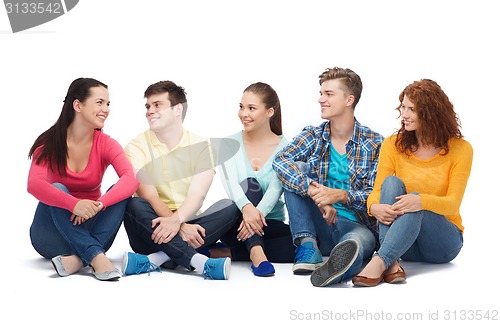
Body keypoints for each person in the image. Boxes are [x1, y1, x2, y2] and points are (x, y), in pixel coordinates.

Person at [352, 79, 473, 287]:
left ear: (431, 112)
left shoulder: (461, 149)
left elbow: (453, 203)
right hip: (406, 243)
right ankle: (391, 263)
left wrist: (420, 202)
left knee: (415, 200)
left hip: (443, 243)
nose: (404, 115)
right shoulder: (392, 144)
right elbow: (379, 189)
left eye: (411, 109)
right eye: (403, 107)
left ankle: (380, 260)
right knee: (391, 183)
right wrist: (374, 207)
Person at [272, 67, 384, 287]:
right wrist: (314, 193)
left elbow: (375, 196)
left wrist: (341, 196)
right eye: (321, 93)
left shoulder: (375, 143)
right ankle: (307, 246)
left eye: (329, 94)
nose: (321, 99)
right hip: (317, 224)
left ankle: (338, 265)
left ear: (349, 99)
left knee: (359, 242)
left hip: (355, 225)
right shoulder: (314, 135)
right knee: (298, 168)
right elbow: (280, 160)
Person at [121, 80, 239, 280]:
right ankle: (200, 263)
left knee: (229, 206)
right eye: (148, 106)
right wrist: (179, 225)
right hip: (150, 228)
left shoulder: (200, 146)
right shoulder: (136, 146)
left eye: (157, 105)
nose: (149, 111)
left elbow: (198, 194)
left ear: (177, 110)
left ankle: (156, 259)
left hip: (188, 221)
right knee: (134, 204)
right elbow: (148, 195)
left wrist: (179, 220)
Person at [28, 77, 139, 281]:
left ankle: (78, 260)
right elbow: (34, 185)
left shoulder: (106, 143)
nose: (106, 109)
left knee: (121, 190)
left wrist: (98, 205)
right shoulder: (48, 143)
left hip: (92, 231)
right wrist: (74, 204)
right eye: (99, 102)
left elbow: (130, 180)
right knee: (58, 187)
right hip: (50, 237)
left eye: (108, 104)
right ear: (78, 105)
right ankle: (96, 258)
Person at [217, 82, 295, 277]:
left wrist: (257, 215)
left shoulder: (286, 147)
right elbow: (230, 185)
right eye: (241, 107)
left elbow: (276, 188)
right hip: (237, 220)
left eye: (251, 108)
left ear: (269, 112)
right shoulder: (227, 144)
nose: (244, 114)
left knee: (298, 248)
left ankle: (223, 252)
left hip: (269, 224)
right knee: (250, 186)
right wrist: (247, 208)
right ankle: (257, 254)